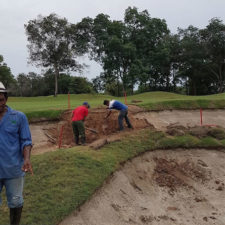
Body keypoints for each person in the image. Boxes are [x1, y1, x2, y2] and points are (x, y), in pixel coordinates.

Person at [0, 82, 33, 225]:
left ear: (6, 99)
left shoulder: (19, 117)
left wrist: (26, 159)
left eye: (0, 99)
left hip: (13, 169)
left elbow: (26, 141)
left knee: (15, 201)